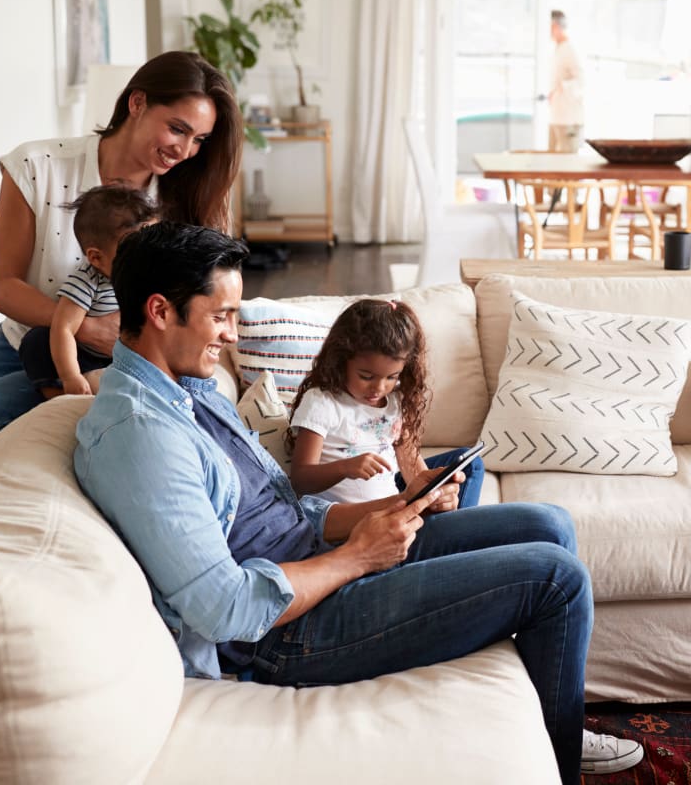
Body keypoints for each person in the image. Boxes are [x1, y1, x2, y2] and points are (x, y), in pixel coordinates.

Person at [73, 222, 644, 784]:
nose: (230, 335)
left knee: (547, 523)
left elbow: (285, 507)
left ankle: (552, 713)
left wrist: (381, 513)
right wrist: (358, 557)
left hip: (321, 559)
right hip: (284, 631)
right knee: (555, 578)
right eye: (219, 316)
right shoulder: (141, 435)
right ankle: (563, 753)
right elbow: (225, 611)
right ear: (159, 311)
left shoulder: (188, 392)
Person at [0, 51, 242, 535]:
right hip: (25, 341)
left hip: (117, 362)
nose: (185, 150)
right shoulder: (39, 165)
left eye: (199, 139)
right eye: (177, 129)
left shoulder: (182, 199)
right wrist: (86, 326)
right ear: (137, 103)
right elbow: (2, 286)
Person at [287, 298, 484, 507]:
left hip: (395, 505)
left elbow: (412, 467)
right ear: (341, 360)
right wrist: (345, 467)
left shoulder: (394, 401)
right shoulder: (322, 402)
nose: (379, 388)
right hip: (356, 519)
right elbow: (300, 479)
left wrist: (432, 496)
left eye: (392, 377)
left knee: (469, 463)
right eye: (366, 376)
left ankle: (453, 525)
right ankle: (457, 531)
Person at [18, 184, 158, 398]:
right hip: (88, 358)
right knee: (38, 340)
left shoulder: (152, 275)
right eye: (134, 250)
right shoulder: (88, 281)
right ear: (96, 258)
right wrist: (70, 375)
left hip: (131, 357)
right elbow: (63, 328)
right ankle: (58, 395)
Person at [549, 9, 585, 153]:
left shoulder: (570, 49)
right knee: (552, 161)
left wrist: (561, 89)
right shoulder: (557, 49)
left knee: (567, 161)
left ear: (555, 27)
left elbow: (581, 80)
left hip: (569, 117)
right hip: (557, 116)